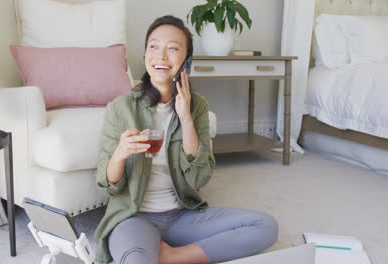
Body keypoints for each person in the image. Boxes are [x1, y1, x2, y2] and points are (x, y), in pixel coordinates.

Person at [93, 15, 278, 264]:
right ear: (145, 54)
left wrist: (186, 118)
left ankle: (173, 257)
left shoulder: (197, 106)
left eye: (173, 48)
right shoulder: (121, 108)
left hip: (182, 216)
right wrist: (120, 154)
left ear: (186, 61)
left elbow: (200, 178)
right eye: (154, 46)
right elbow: (108, 186)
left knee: (265, 226)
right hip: (133, 217)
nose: (161, 56)